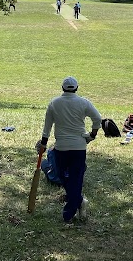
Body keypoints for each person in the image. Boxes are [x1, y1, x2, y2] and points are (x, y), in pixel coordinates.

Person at [36, 76, 102, 223]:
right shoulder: (83, 102)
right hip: (79, 147)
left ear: (62, 88)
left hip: (61, 147)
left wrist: (44, 143)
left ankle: (68, 213)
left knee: (64, 176)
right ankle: (79, 201)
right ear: (76, 88)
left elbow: (47, 127)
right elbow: (98, 119)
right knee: (75, 178)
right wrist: (92, 135)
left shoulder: (54, 103)